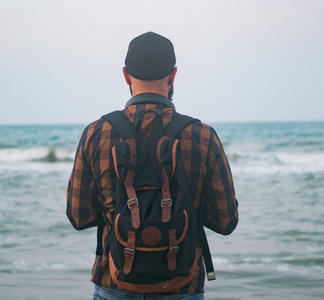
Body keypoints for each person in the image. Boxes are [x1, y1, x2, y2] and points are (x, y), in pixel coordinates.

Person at [66, 31, 239, 299]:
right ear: (173, 75)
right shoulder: (202, 135)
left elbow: (79, 217)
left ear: (125, 76)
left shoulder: (96, 132)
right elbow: (225, 221)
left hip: (114, 284)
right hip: (183, 286)